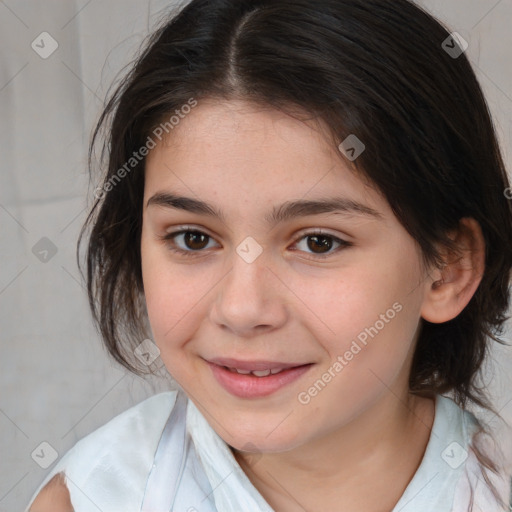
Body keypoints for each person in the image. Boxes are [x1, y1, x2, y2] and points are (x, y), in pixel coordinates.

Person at [26, 0, 512, 510]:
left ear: (447, 271)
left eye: (318, 242)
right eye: (193, 238)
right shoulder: (93, 498)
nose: (241, 309)